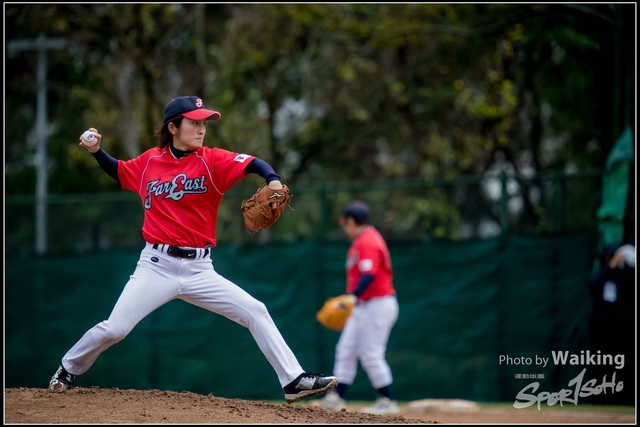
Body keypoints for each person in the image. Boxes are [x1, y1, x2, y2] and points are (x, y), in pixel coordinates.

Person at [48, 96, 337, 404]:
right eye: (194, 122)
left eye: (204, 123)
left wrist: (274, 179)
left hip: (200, 270)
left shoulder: (212, 160)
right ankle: (68, 368)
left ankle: (293, 380)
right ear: (173, 127)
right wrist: (96, 151)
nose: (201, 129)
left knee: (255, 310)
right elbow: (118, 170)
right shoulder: (149, 162)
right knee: (115, 330)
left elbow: (253, 162)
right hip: (156, 266)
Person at [319, 200, 400, 415]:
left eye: (345, 223)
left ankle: (388, 400)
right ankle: (337, 397)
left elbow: (369, 274)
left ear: (351, 221)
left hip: (377, 303)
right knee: (345, 350)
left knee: (371, 354)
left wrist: (352, 298)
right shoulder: (362, 240)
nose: (345, 228)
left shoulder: (368, 240)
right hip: (364, 305)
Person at [587, 242, 635, 405]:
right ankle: (601, 398)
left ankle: (625, 399)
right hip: (600, 327)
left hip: (622, 326)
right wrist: (610, 268)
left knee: (624, 364)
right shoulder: (600, 273)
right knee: (601, 364)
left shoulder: (627, 274)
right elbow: (592, 286)